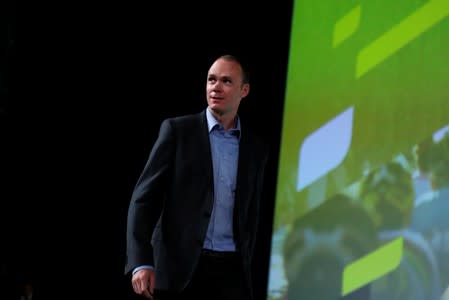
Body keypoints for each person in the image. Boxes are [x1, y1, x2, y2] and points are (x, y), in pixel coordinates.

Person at [124, 54, 269, 300]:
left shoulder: (256, 149)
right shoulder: (178, 131)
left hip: (231, 273)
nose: (216, 87)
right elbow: (143, 200)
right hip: (177, 273)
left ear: (244, 90)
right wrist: (141, 261)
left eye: (226, 81)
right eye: (211, 80)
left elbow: (252, 216)